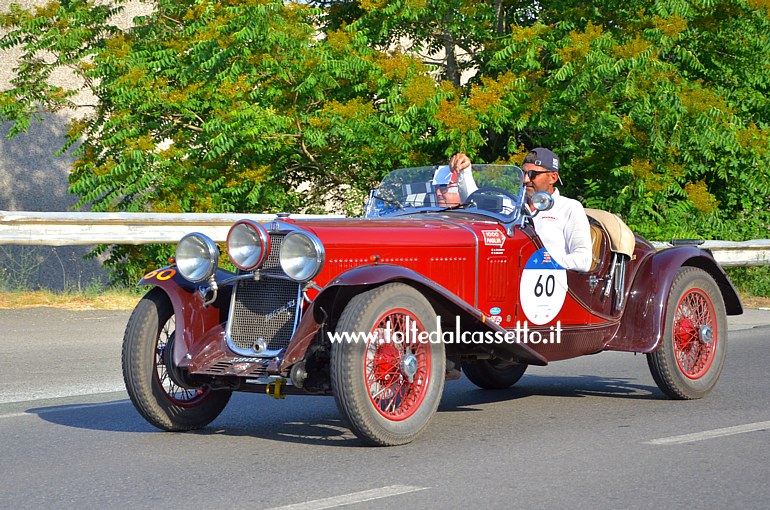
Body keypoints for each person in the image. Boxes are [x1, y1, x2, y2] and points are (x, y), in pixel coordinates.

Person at [449, 149, 593, 272]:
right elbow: (475, 201)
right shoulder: (511, 205)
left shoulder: (569, 207)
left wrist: (543, 261)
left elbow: (583, 259)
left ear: (553, 177)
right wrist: (464, 171)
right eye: (523, 173)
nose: (525, 180)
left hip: (551, 289)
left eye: (532, 175)